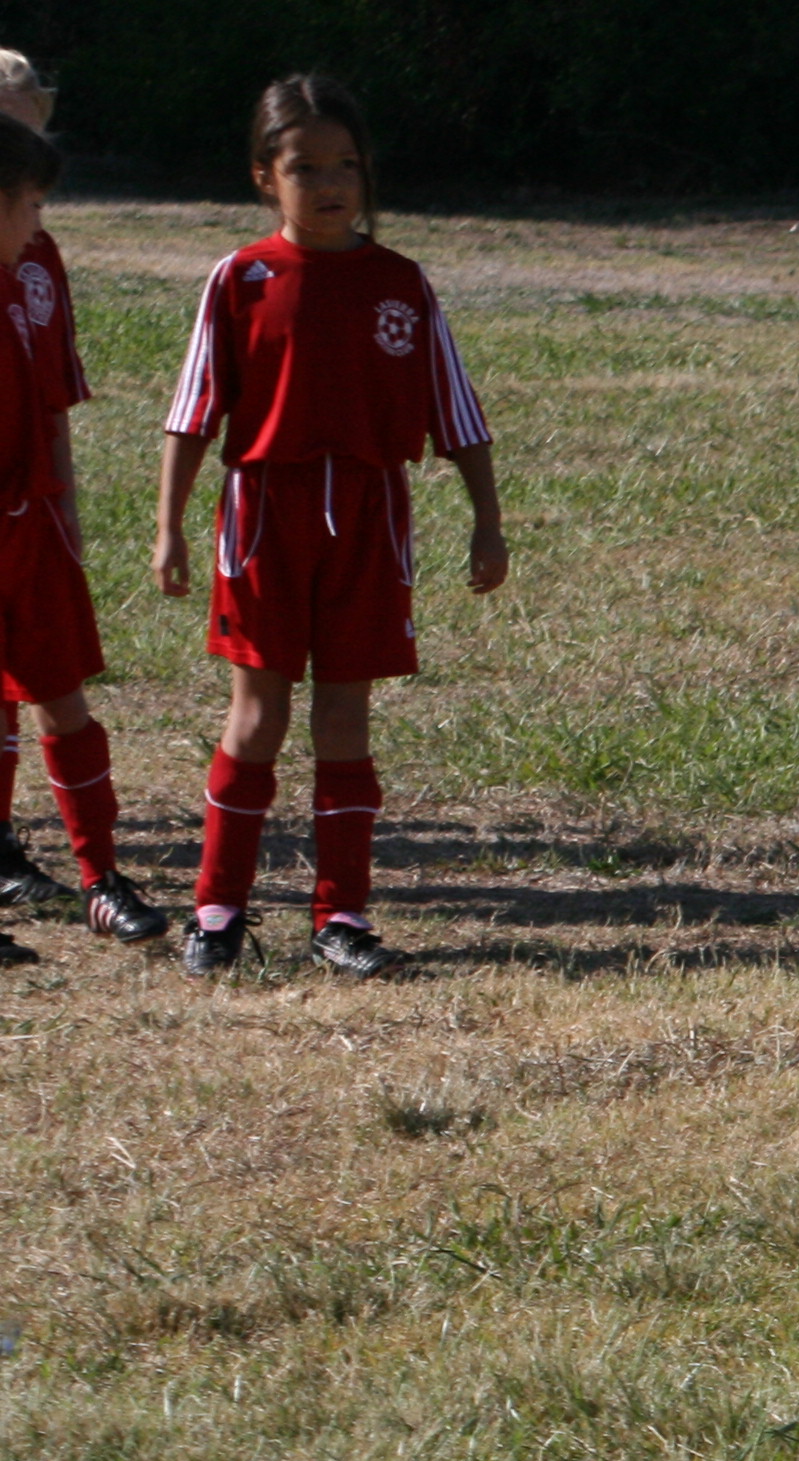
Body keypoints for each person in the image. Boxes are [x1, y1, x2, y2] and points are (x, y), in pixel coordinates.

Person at [154, 73, 504, 981]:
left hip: (369, 515)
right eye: (304, 167)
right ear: (265, 178)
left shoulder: (400, 283)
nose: (329, 183)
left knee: (346, 716)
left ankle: (342, 916)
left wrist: (487, 521)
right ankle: (218, 910)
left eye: (345, 164)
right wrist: (170, 528)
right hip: (263, 516)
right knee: (258, 714)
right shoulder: (241, 278)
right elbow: (193, 413)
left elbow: (456, 411)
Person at [0, 56, 166, 951]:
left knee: (63, 696)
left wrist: (60, 508)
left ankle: (101, 875)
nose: (41, 223)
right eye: (30, 204)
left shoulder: (29, 271)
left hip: (33, 529)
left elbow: (51, 399)